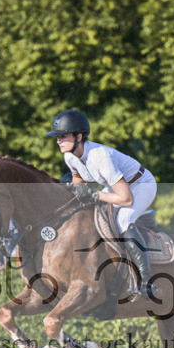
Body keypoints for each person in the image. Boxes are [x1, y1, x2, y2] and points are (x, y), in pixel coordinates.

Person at [45, 109, 159, 300]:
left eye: (63, 136)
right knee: (91, 216)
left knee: (123, 220)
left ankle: (146, 283)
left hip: (141, 185)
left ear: (79, 137)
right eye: (58, 137)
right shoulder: (69, 156)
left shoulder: (100, 157)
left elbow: (127, 199)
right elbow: (78, 180)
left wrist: (93, 193)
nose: (58, 141)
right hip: (117, 187)